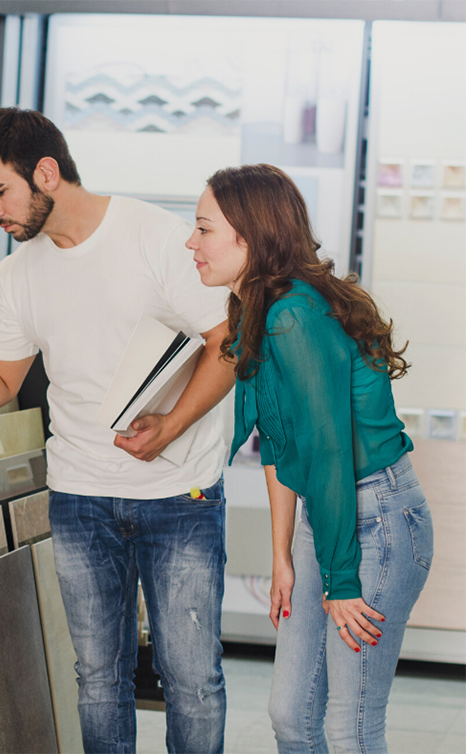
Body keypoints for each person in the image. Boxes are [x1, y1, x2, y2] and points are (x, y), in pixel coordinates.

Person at [0, 107, 236, 754]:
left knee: (192, 681)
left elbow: (228, 340)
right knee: (98, 678)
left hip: (180, 496)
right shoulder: (20, 272)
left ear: (46, 173)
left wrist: (172, 426)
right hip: (78, 496)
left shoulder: (154, 236)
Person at [187, 163, 433, 754]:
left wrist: (341, 580)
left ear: (250, 236)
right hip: (327, 517)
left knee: (347, 727)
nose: (191, 243)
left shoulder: (292, 316)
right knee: (291, 717)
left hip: (375, 520)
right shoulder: (255, 310)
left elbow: (326, 452)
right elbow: (278, 439)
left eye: (203, 228)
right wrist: (281, 554)